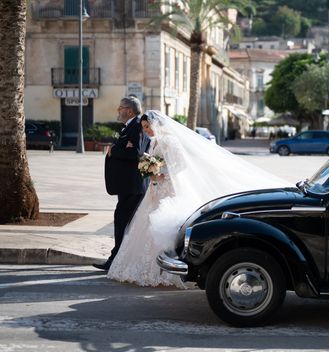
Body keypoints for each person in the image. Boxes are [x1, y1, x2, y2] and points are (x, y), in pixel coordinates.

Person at [106, 110, 290, 287]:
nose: (146, 131)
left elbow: (180, 165)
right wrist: (149, 170)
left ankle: (164, 270)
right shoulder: (153, 142)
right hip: (155, 189)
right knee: (145, 224)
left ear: (157, 124)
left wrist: (162, 173)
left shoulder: (170, 141)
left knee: (163, 226)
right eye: (145, 127)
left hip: (168, 188)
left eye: (148, 126)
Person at [95, 96, 147, 271]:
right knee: (125, 223)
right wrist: (120, 148)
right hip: (127, 186)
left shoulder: (137, 126)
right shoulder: (129, 127)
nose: (118, 110)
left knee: (122, 221)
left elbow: (136, 153)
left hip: (132, 186)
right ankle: (118, 259)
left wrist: (113, 151)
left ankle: (115, 260)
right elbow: (128, 148)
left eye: (120, 108)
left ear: (130, 111)